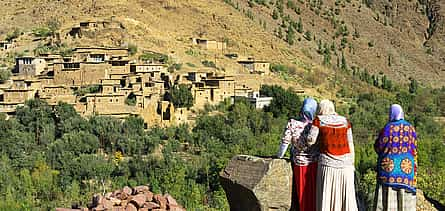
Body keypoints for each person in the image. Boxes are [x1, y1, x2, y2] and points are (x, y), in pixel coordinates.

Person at [312, 100, 358, 211]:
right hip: (346, 166)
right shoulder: (345, 121)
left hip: (328, 165)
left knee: (327, 196)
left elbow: (310, 140)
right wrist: (352, 163)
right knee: (345, 196)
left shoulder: (318, 121)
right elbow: (350, 143)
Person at [277, 98, 319, 211]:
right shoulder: (316, 125)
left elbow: (284, 143)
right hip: (315, 164)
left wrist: (279, 157)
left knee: (302, 194)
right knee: (314, 193)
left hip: (300, 165)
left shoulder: (293, 123)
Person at [373, 104, 417, 211]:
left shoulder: (387, 128)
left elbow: (378, 147)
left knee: (387, 204)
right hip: (406, 173)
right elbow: (414, 149)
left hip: (388, 173)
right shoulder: (410, 128)